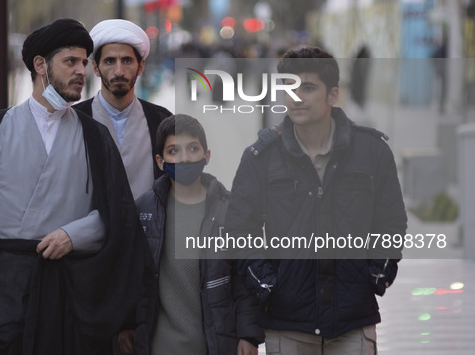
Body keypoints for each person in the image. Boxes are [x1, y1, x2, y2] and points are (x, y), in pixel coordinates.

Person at [0, 18, 152, 354]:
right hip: (5, 287)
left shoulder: (94, 135)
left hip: (71, 289)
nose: (81, 71)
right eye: (70, 62)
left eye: (83, 62)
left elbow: (116, 212)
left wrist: (73, 235)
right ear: (40, 65)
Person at [226, 46, 407, 354]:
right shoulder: (260, 158)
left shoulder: (372, 152)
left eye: (308, 88)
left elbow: (391, 221)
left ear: (332, 94)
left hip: (353, 321)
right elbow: (240, 231)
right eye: (289, 87)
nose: (296, 97)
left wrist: (376, 274)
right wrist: (268, 284)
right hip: (287, 323)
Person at [129, 114, 264, 355]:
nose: (184, 158)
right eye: (174, 151)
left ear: (207, 155)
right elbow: (132, 278)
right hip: (159, 347)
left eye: (193, 148)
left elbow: (245, 278)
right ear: (160, 161)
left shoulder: (230, 209)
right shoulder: (144, 211)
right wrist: (126, 326)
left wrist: (248, 334)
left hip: (216, 346)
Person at [74, 19, 172, 199]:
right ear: (96, 68)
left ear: (140, 66)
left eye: (127, 61)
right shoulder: (74, 120)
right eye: (110, 61)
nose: (119, 71)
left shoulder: (161, 121)